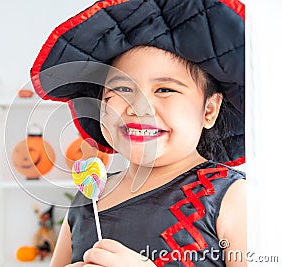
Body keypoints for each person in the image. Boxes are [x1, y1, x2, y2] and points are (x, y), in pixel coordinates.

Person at [30, 0, 246, 266]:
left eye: (165, 90)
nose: (138, 108)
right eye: (122, 90)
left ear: (209, 110)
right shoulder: (90, 197)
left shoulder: (232, 195)